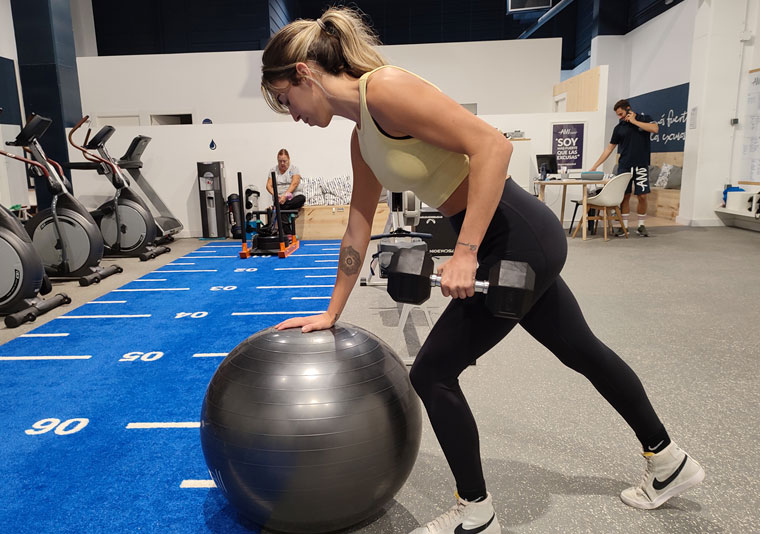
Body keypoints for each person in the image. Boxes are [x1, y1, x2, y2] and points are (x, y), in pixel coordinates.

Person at [262, 8, 704, 534]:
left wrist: (466, 250)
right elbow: (358, 225)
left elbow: (493, 145)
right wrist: (330, 312)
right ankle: (669, 461)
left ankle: (476, 513)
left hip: (515, 235)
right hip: (510, 237)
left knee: (432, 372)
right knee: (582, 350)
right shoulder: (361, 138)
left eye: (287, 101)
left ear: (304, 74)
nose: (292, 116)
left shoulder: (386, 89)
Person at [590, 99, 659, 237]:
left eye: (621, 114)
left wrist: (634, 122)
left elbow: (655, 129)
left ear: (628, 109)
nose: (620, 117)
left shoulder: (645, 119)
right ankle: (624, 226)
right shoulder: (619, 128)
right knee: (625, 196)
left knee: (642, 196)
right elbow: (609, 149)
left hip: (641, 165)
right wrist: (595, 166)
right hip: (624, 166)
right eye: (618, 115)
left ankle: (641, 226)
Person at [267, 148, 306, 234]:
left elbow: (294, 183)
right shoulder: (273, 170)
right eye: (280, 161)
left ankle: (280, 208)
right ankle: (288, 232)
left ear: (289, 160)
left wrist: (285, 196)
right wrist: (276, 195)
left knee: (301, 198)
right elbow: (268, 186)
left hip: (292, 197)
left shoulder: (294, 169)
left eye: (284, 161)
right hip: (279, 198)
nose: (282, 163)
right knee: (280, 204)